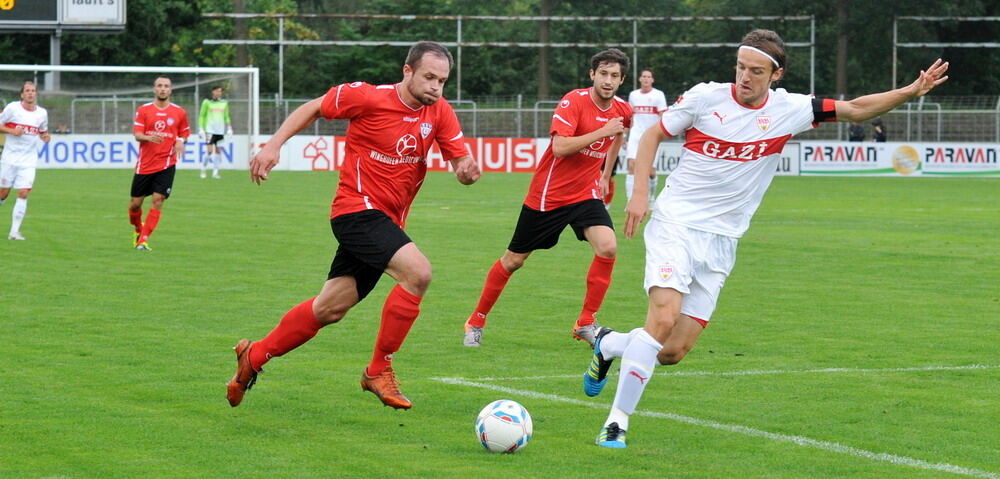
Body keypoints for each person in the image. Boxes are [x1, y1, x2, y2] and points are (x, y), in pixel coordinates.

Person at [581, 29, 949, 448]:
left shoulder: (791, 109)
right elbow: (652, 135)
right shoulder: (705, 98)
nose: (744, 77)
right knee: (662, 318)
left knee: (672, 350)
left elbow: (857, 109)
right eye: (740, 67)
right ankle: (617, 422)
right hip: (675, 224)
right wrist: (641, 191)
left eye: (756, 71)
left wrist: (911, 90)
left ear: (776, 74)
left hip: (722, 241)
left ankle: (609, 344)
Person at [226, 41, 480, 410]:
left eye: (442, 80)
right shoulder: (367, 97)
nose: (436, 87)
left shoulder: (440, 112)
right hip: (355, 210)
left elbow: (461, 165)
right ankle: (378, 370)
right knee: (418, 273)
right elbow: (314, 107)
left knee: (329, 308)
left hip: (385, 222)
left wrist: (467, 172)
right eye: (429, 77)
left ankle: (254, 356)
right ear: (407, 71)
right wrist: (272, 146)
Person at [462, 49, 633, 348]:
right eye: (603, 74)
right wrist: (602, 131)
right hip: (548, 195)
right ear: (592, 75)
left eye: (615, 76)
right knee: (514, 260)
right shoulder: (574, 101)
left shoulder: (622, 109)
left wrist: (606, 174)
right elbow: (560, 147)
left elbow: (619, 133)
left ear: (622, 80)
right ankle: (476, 320)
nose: (608, 80)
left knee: (607, 247)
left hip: (585, 195)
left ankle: (585, 323)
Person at [129, 76, 190, 251]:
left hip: (167, 164)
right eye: (160, 86)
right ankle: (137, 229)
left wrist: (181, 141)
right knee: (135, 205)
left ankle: (143, 240)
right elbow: (137, 134)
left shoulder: (179, 112)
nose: (163, 89)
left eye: (166, 86)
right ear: (154, 89)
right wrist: (149, 137)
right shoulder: (144, 110)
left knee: (158, 199)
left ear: (170, 90)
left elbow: (184, 133)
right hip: (145, 165)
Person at [0, 81, 50, 240]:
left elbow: (43, 131)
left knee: (23, 192)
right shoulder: (13, 108)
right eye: (27, 91)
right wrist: (12, 131)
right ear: (22, 94)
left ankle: (14, 232)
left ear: (36, 94)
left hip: (28, 160)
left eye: (33, 91)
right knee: (3, 192)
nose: (30, 93)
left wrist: (46, 137)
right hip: (10, 158)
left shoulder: (42, 113)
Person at [625, 70, 668, 203]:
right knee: (632, 165)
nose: (646, 79)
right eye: (644, 76)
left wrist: (662, 135)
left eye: (649, 77)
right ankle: (630, 200)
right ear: (639, 79)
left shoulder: (658, 95)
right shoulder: (633, 95)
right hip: (635, 135)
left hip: (651, 137)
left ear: (652, 80)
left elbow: (663, 117)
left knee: (651, 172)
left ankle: (651, 198)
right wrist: (625, 135)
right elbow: (629, 117)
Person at [198, 85, 232, 179]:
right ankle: (203, 169)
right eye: (217, 91)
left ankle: (215, 172)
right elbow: (202, 115)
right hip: (209, 130)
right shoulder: (207, 102)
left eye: (220, 91)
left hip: (220, 131)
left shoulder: (224, 103)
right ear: (213, 92)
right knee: (209, 151)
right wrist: (201, 128)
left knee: (218, 151)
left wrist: (229, 128)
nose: (218, 93)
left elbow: (226, 116)